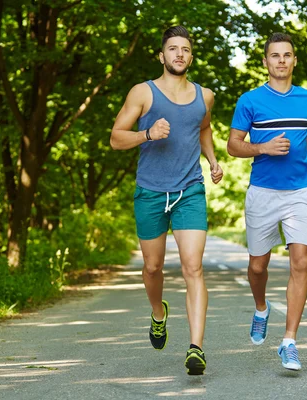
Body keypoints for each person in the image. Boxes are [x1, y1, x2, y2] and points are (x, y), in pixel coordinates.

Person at [110, 25, 223, 375]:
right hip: (151, 191)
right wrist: (147, 133)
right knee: (153, 267)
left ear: (191, 56)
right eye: (173, 49)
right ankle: (158, 313)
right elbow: (116, 138)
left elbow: (203, 129)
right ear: (162, 56)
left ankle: (196, 349)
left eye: (185, 49)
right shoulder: (142, 93)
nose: (179, 54)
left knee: (193, 267)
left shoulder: (205, 96)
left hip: (190, 189)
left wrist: (213, 160)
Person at [227, 32, 307, 371]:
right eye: (275, 55)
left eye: (287, 55)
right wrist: (263, 148)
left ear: (294, 61)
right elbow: (233, 145)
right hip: (263, 192)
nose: (281, 60)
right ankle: (261, 307)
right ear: (265, 61)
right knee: (257, 267)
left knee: (301, 262)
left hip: (298, 191)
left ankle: (289, 341)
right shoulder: (250, 100)